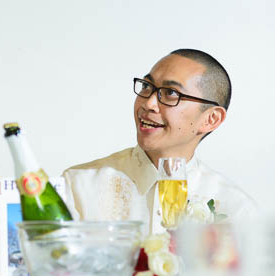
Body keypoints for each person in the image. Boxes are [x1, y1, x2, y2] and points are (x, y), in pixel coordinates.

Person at [62, 49, 255, 233]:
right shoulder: (79, 186)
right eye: (147, 86)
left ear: (210, 119)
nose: (148, 103)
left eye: (171, 93)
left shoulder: (237, 211)